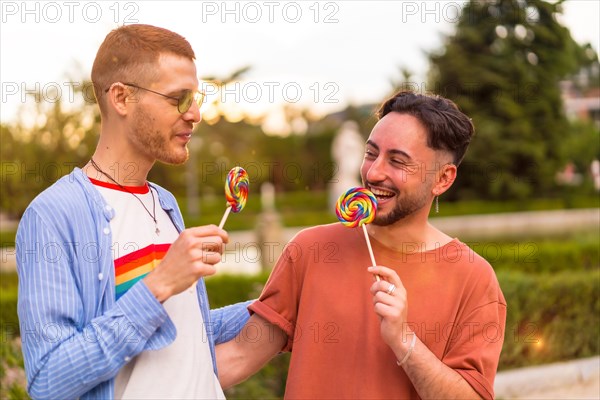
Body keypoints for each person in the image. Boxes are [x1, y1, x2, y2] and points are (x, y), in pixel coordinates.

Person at [216, 91, 507, 399]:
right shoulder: (310, 249)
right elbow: (239, 356)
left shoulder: (473, 278)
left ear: (442, 179)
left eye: (397, 161)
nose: (373, 172)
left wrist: (403, 339)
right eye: (371, 154)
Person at [16, 24, 249, 400]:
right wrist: (159, 284)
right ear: (122, 99)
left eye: (196, 97)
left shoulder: (164, 202)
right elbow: (48, 381)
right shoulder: (55, 215)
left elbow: (189, 331)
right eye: (179, 98)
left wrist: (275, 299)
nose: (196, 114)